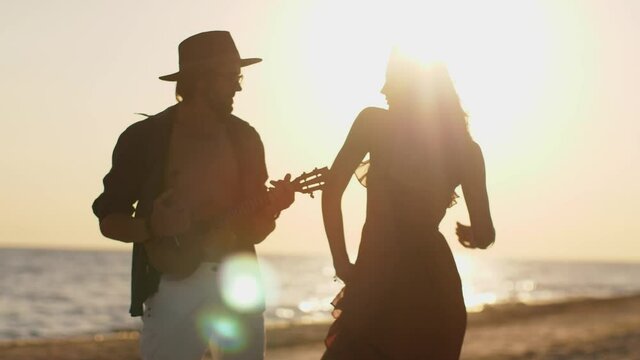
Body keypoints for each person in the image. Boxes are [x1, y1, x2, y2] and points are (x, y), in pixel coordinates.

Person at [92, 31, 294, 360]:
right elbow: (109, 221)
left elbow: (256, 230)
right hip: (172, 286)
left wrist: (274, 209)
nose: (239, 86)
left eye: (238, 76)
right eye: (231, 77)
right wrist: (152, 228)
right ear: (201, 79)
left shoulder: (246, 138)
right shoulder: (143, 139)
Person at [321, 52, 495, 359]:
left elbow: (332, 191)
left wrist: (341, 261)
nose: (383, 89)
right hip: (435, 288)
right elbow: (485, 234)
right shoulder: (466, 150)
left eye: (391, 80)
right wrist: (471, 235)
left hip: (379, 277)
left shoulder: (373, 123)